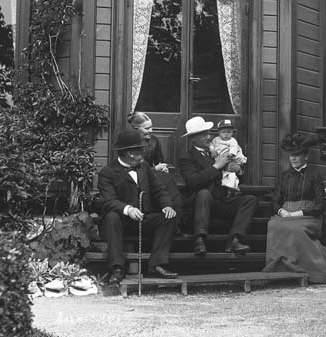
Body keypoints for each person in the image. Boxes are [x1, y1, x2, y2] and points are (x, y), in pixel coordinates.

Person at [262, 132, 326, 284]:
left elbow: (320, 205)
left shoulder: (314, 175)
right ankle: (279, 270)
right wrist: (282, 211)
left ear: (306, 157)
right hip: (286, 214)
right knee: (273, 225)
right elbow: (276, 201)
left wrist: (298, 213)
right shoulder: (284, 176)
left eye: (297, 155)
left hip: (308, 216)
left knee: (297, 229)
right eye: (291, 155)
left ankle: (314, 272)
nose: (293, 158)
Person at [98, 129, 179, 284]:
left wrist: (167, 205)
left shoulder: (144, 167)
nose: (143, 155)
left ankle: (157, 265)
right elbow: (109, 201)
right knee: (111, 217)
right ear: (129, 153)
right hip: (122, 221)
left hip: (143, 218)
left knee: (167, 218)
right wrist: (128, 209)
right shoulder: (107, 172)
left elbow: (159, 190)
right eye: (140, 151)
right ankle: (117, 268)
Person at [179, 116, 257, 256]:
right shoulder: (187, 157)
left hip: (222, 200)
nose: (208, 137)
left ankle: (235, 240)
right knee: (204, 193)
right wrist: (216, 166)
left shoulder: (217, 150)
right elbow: (193, 182)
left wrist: (238, 170)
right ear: (192, 139)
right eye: (203, 134)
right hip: (201, 206)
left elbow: (236, 179)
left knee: (250, 200)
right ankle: (199, 240)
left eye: (208, 133)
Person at [128, 111, 184, 221]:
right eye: (147, 128)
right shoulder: (128, 142)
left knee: (167, 179)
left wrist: (163, 167)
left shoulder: (153, 140)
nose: (151, 130)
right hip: (137, 176)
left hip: (152, 175)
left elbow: (159, 161)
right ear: (136, 128)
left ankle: (176, 216)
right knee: (164, 181)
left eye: (151, 127)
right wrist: (154, 169)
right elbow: (130, 167)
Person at [209, 118, 247, 197]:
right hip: (219, 160)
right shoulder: (216, 140)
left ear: (232, 132)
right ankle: (227, 190)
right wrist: (212, 150)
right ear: (219, 132)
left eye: (229, 132)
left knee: (231, 176)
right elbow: (211, 145)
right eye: (223, 132)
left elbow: (234, 148)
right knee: (224, 176)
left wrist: (231, 154)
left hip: (230, 160)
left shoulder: (232, 141)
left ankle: (233, 189)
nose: (226, 134)